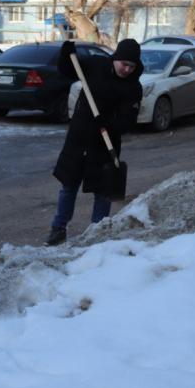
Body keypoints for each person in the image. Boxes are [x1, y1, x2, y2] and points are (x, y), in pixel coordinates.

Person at [45, 39, 143, 246]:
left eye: (131, 66)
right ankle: (58, 228)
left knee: (103, 191)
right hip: (78, 138)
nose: (126, 69)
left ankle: (98, 232)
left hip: (105, 144)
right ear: (115, 58)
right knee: (68, 186)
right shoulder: (95, 65)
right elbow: (68, 70)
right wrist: (66, 54)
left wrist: (107, 123)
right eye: (123, 64)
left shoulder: (133, 87)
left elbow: (128, 121)